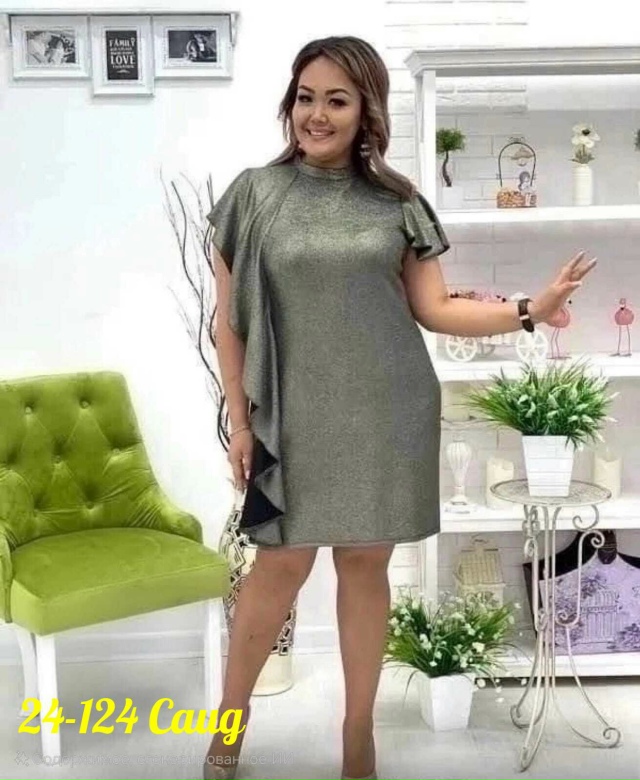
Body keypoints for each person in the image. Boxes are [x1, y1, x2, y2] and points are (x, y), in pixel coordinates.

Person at [204, 36, 596, 780]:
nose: (317, 115)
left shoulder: (397, 200)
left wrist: (529, 310)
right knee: (278, 567)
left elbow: (436, 308)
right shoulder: (253, 195)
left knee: (364, 565)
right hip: (291, 414)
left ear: (367, 112)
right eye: (306, 97)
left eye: (337, 100)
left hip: (386, 408)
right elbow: (229, 324)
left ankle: (359, 732)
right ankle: (231, 718)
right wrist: (241, 419)